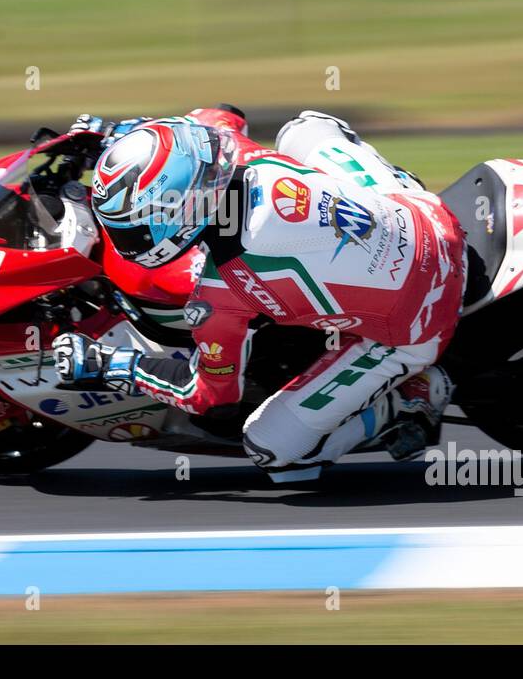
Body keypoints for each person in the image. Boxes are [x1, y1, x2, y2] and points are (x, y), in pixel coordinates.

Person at [53, 107, 466, 482]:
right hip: (425, 214)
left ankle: (409, 401)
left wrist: (110, 364)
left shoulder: (220, 294)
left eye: (135, 226)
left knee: (272, 450)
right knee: (305, 128)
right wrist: (121, 135)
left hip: (420, 323)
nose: (126, 238)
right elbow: (220, 116)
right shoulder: (242, 154)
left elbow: (209, 397)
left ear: (179, 210)